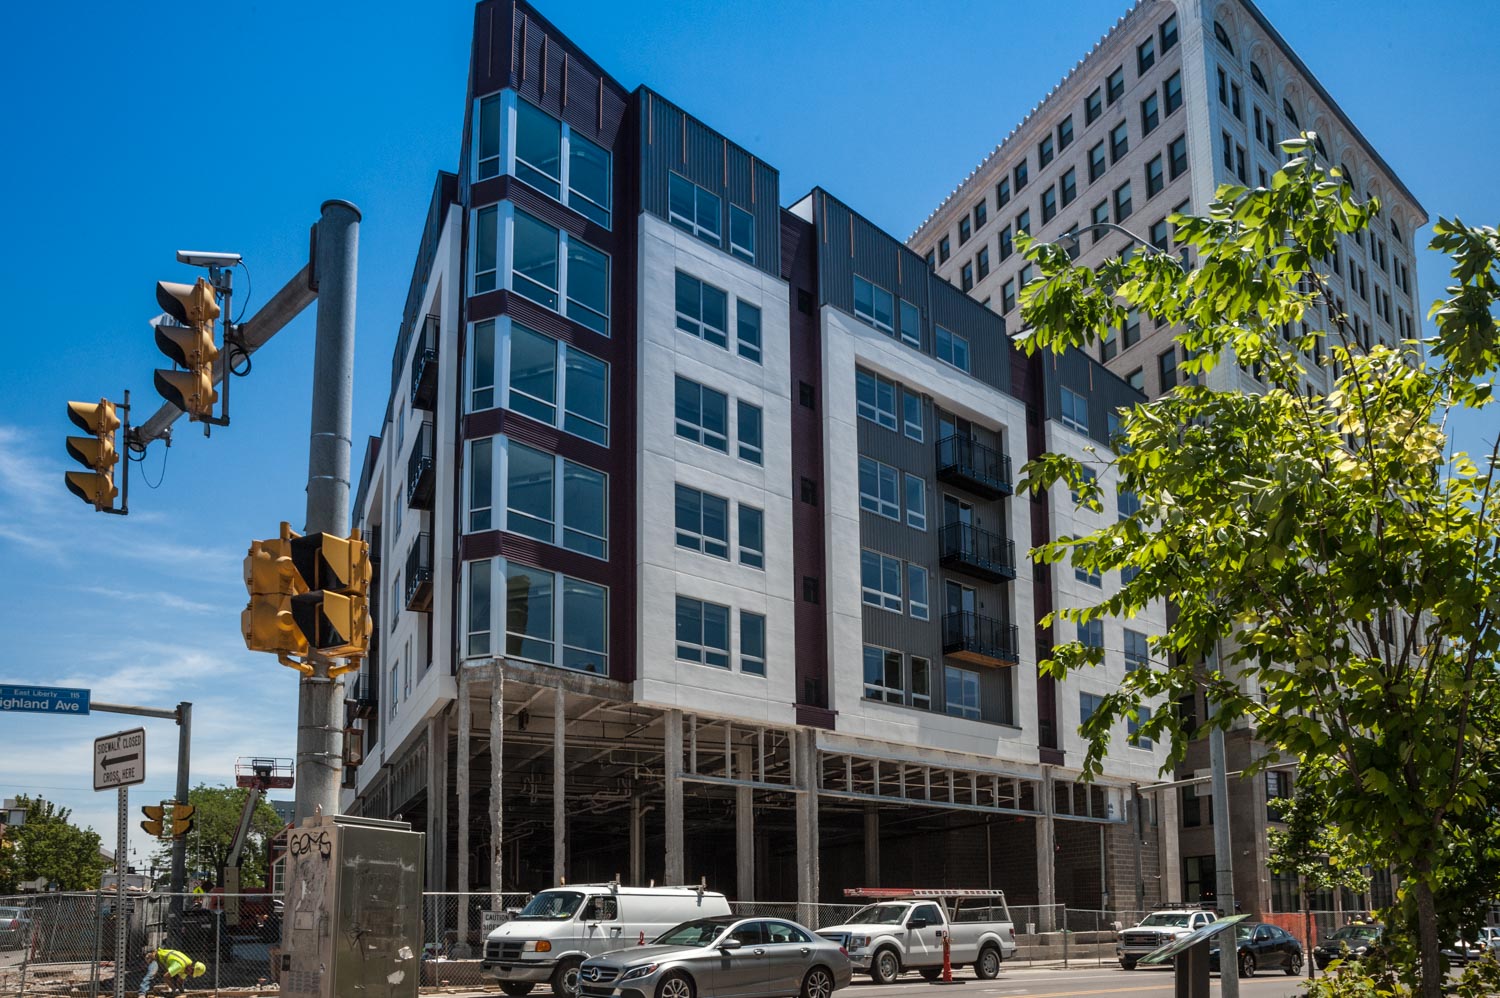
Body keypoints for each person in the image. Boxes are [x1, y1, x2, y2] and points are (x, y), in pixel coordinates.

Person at [139, 946, 206, 995]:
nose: (190, 975)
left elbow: (180, 982)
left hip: (164, 964)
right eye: (191, 974)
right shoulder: (179, 965)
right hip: (154, 957)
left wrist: (181, 991)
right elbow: (165, 977)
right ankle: (142, 993)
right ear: (192, 968)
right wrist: (174, 989)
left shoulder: (187, 968)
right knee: (151, 973)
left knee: (172, 978)